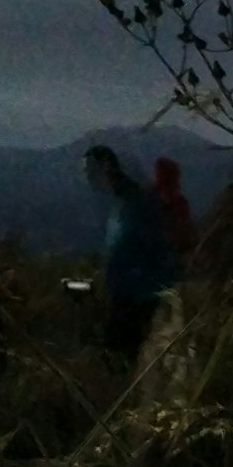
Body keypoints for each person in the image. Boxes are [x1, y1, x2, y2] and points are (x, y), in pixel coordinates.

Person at [89, 145, 177, 356]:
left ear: (105, 167)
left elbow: (154, 246)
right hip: (127, 291)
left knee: (122, 353)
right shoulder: (121, 201)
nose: (88, 177)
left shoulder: (136, 202)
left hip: (139, 295)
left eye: (91, 170)